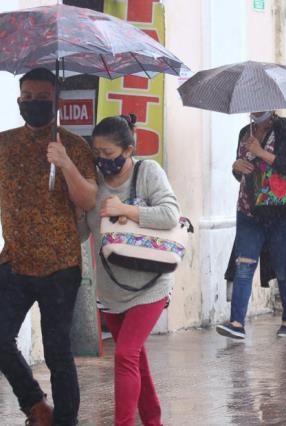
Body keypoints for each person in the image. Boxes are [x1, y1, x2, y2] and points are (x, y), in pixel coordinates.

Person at [0, 68, 97, 425]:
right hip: (14, 260)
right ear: (19, 100)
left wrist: (66, 163)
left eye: (42, 99)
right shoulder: (4, 143)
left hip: (60, 265)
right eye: (28, 98)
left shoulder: (73, 145)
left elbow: (88, 199)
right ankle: (37, 407)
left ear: (56, 102)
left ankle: (66, 420)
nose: (34, 104)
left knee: (58, 351)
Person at [79, 114, 180, 426]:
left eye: (109, 154)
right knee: (135, 357)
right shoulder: (92, 182)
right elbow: (83, 232)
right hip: (111, 289)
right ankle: (153, 420)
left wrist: (127, 210)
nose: (103, 161)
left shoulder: (148, 172)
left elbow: (170, 214)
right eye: (97, 154)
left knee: (125, 355)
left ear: (129, 149)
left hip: (151, 285)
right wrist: (74, 197)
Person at [217, 111, 286, 339]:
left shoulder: (284, 128)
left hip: (279, 209)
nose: (256, 110)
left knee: (284, 268)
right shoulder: (243, 133)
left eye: (261, 105)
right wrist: (236, 167)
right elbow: (243, 174)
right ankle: (237, 322)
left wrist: (260, 152)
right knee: (244, 265)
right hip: (248, 209)